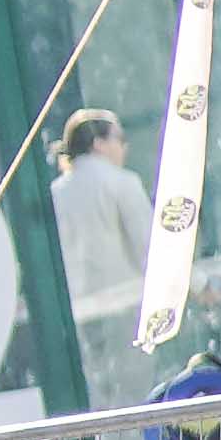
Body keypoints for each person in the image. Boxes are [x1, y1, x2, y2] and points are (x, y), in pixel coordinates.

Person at [54, 109, 161, 392]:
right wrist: (196, 285)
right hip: (124, 313)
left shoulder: (53, 194)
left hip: (77, 317)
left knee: (94, 404)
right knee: (134, 399)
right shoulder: (122, 182)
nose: (124, 146)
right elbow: (150, 248)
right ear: (98, 144)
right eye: (119, 138)